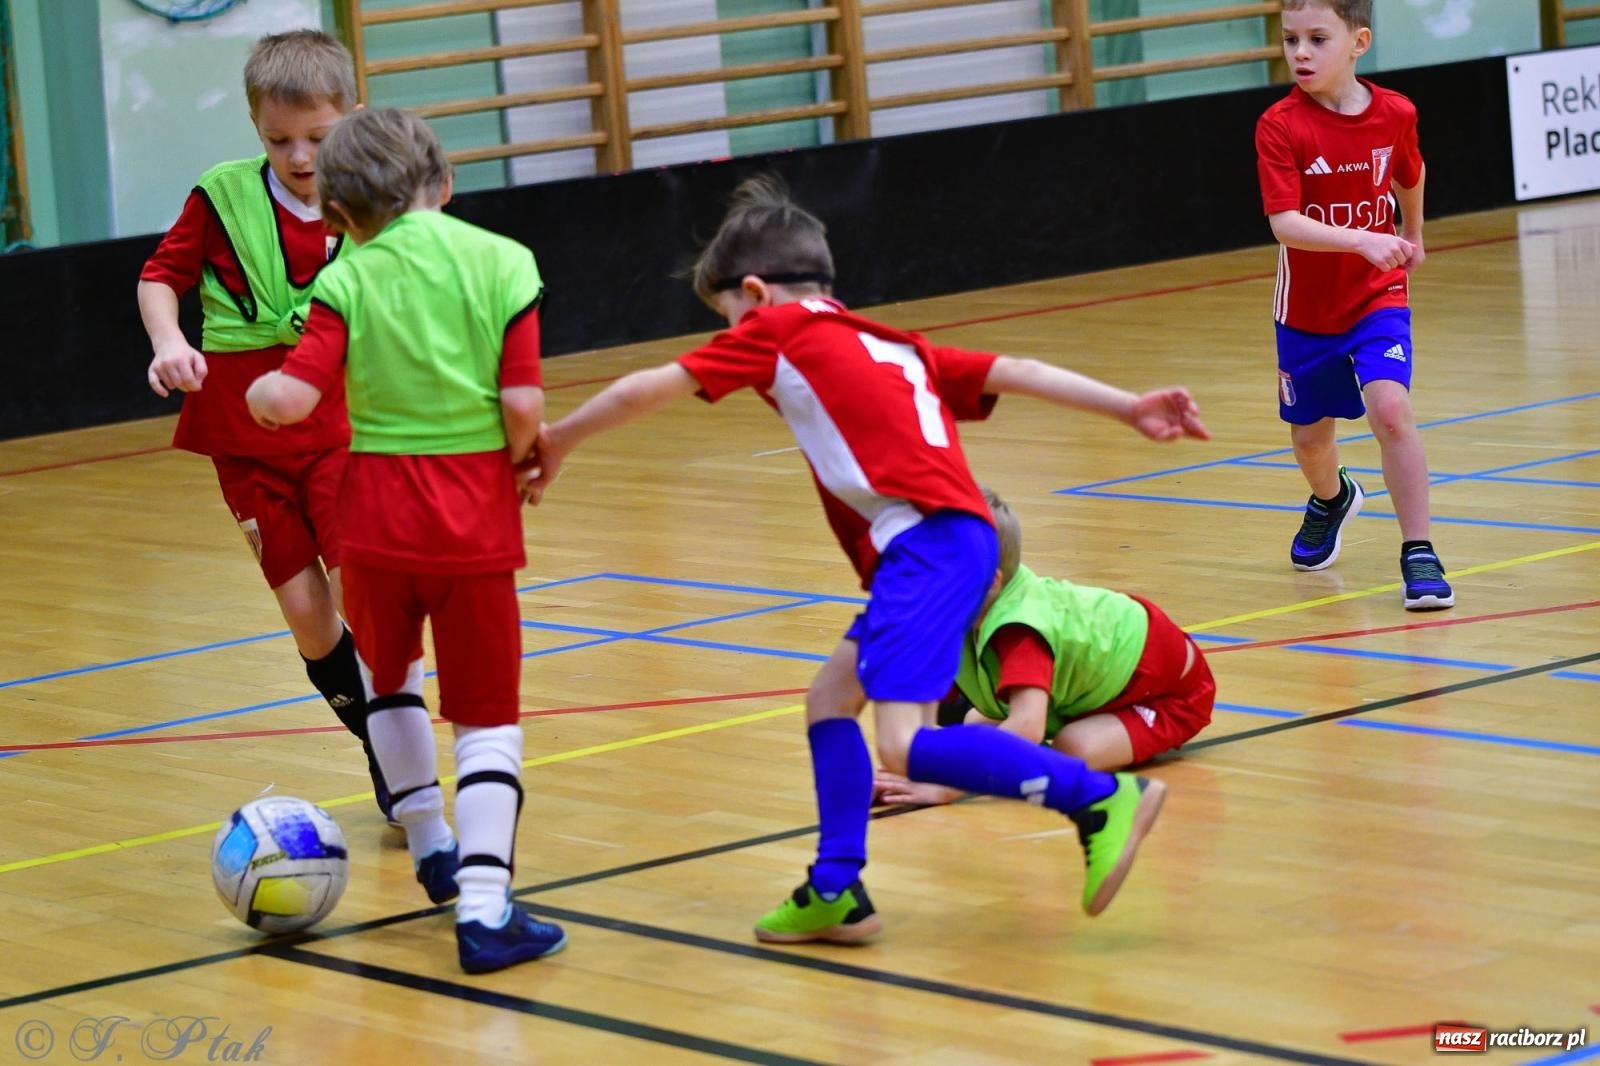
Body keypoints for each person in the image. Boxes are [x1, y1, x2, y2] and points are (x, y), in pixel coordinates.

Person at [526, 176, 1211, 944]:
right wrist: (1127, 405)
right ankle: (835, 887)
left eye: (726, 317)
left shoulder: (778, 332)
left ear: (754, 294)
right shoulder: (894, 344)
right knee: (828, 702)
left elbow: (651, 386)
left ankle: (1095, 800)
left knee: (903, 743)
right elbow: (1013, 369)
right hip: (950, 542)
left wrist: (559, 439)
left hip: (925, 547)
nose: (730, 334)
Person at [244, 108, 566, 974]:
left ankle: (429, 840)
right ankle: (488, 909)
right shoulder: (504, 262)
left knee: (391, 679)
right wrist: (531, 458)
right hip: (470, 520)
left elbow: (295, 398)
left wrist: (259, 396)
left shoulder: (343, 280)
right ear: (446, 183)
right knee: (489, 720)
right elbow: (524, 406)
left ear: (340, 215)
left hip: (374, 521)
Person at [136, 30, 392, 818]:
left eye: (317, 136)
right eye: (280, 140)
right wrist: (170, 341)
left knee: (366, 599)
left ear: (351, 115)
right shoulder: (221, 195)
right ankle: (379, 737)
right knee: (310, 622)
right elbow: (160, 277)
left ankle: (399, 760)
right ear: (255, 129)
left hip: (340, 428)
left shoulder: (377, 202)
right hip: (243, 441)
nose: (301, 155)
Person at [1256, 0, 1454, 610]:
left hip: (1377, 297)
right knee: (1311, 439)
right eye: (1291, 40)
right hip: (1307, 312)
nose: (1301, 53)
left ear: (1358, 41)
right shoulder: (1280, 125)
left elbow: (1410, 172)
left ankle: (1418, 550)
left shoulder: (1395, 112)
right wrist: (1364, 239)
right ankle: (1331, 498)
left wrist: (1413, 234)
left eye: (1318, 38)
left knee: (1391, 410)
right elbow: (1285, 223)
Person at [874, 488, 1215, 807]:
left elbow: (1027, 728)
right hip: (1097, 684)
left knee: (1072, 747)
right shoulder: (967, 603)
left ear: (990, 581)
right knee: (976, 726)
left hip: (1170, 695)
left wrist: (948, 786)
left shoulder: (1020, 630)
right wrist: (910, 766)